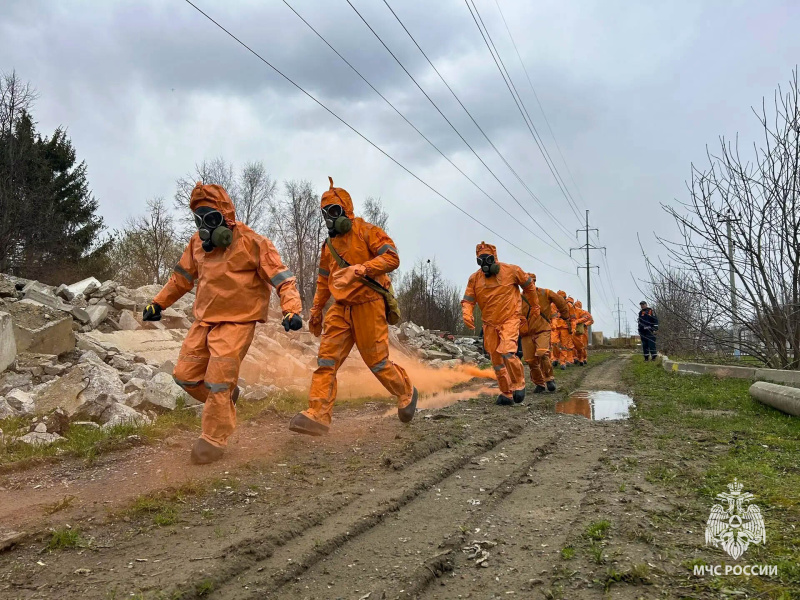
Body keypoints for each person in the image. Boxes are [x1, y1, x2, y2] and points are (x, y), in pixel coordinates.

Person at [143, 182, 303, 465]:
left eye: (211, 218)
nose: (205, 225)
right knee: (185, 376)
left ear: (226, 216)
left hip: (238, 322)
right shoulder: (196, 244)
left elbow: (283, 279)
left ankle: (213, 439)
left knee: (218, 381)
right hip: (204, 320)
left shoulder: (254, 242)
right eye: (199, 218)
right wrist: (158, 303)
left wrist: (291, 310)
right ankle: (227, 397)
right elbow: (181, 279)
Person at [289, 178, 417, 436]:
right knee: (326, 360)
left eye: (334, 212)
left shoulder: (367, 231)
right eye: (325, 214)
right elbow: (324, 280)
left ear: (347, 211)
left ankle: (406, 391)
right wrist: (316, 311)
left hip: (369, 305)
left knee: (377, 362)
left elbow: (392, 257)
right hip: (340, 307)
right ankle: (318, 414)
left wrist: (362, 269)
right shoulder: (328, 246)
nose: (329, 219)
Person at [461, 242, 540, 405]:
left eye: (488, 259)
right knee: (496, 360)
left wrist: (535, 305)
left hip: (509, 318)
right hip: (489, 323)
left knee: (507, 351)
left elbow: (529, 286)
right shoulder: (474, 279)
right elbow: (468, 299)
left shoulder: (512, 271)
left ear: (494, 258)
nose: (484, 264)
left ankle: (519, 384)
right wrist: (467, 314)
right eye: (480, 260)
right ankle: (506, 393)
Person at [519, 275, 570, 393]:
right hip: (526, 333)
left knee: (542, 353)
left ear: (534, 282)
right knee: (530, 360)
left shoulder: (545, 293)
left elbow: (561, 302)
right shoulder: (518, 297)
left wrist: (565, 315)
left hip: (542, 329)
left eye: (530, 282)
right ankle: (539, 384)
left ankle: (549, 379)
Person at [552, 291, 575, 369]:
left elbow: (573, 318)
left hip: (565, 327)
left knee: (564, 346)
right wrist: (552, 325)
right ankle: (555, 358)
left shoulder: (569, 306)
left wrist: (573, 327)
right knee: (554, 342)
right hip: (555, 327)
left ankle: (562, 362)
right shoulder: (553, 305)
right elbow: (552, 317)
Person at [572, 300, 593, 366]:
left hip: (583, 331)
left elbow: (591, 320)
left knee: (582, 345)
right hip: (576, 331)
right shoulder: (572, 312)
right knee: (575, 345)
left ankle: (583, 358)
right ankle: (577, 358)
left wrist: (585, 324)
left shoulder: (585, 313)